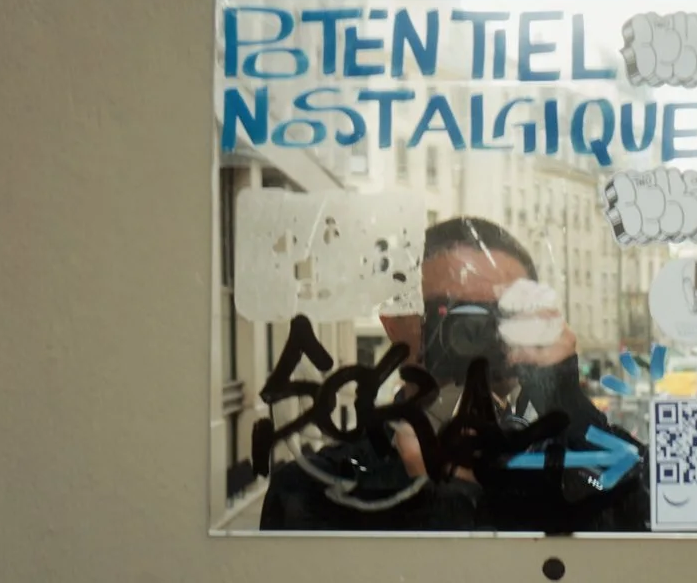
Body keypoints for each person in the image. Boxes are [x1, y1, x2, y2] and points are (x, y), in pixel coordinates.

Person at [259, 216, 642, 531]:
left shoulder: (580, 467)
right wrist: (418, 494)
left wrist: (569, 409)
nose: (476, 337)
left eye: (502, 317)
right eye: (449, 313)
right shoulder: (315, 488)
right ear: (397, 322)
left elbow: (655, 533)